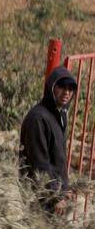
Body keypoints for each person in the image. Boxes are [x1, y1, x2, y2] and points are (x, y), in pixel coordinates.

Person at [19, 65, 78, 215]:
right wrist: (55, 196)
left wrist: (65, 189)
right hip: (40, 198)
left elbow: (58, 160)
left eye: (70, 88)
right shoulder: (38, 119)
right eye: (61, 86)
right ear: (51, 87)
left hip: (54, 197)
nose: (66, 92)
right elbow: (40, 164)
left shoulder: (60, 115)